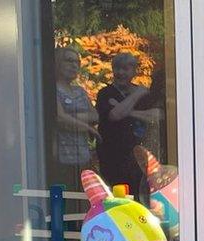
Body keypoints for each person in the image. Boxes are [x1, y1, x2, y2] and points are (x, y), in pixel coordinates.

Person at [96, 52, 160, 204]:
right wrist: (136, 95)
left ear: (134, 71)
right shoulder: (105, 93)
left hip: (140, 157)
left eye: (126, 69)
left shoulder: (146, 95)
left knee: (141, 198)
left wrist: (126, 110)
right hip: (113, 157)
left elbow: (156, 116)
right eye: (117, 68)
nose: (121, 73)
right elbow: (114, 116)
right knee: (117, 199)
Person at [52, 47, 98, 196]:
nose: (74, 65)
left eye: (77, 62)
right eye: (69, 61)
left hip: (83, 158)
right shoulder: (51, 90)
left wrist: (69, 116)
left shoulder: (80, 91)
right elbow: (58, 118)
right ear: (58, 63)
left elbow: (95, 116)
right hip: (62, 159)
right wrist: (87, 127)